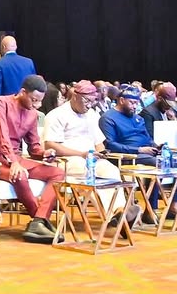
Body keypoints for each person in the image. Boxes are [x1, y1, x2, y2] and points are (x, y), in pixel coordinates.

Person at [0, 75, 64, 243]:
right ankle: (39, 221)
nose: (37, 105)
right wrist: (14, 163)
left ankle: (38, 221)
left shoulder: (32, 114)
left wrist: (44, 153)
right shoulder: (1, 103)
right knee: (20, 174)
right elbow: (2, 136)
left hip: (17, 159)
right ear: (23, 92)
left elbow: (34, 148)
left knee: (58, 173)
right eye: (34, 100)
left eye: (40, 101)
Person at [40, 80, 136, 228]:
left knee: (111, 170)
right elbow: (50, 145)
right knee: (89, 172)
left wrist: (101, 153)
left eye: (93, 101)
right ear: (75, 96)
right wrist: (82, 154)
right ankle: (115, 217)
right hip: (66, 161)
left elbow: (99, 143)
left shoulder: (92, 114)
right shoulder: (56, 115)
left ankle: (120, 212)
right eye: (87, 101)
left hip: (89, 159)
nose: (90, 105)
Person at [98, 85, 177, 220]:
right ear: (121, 100)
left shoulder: (137, 118)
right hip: (127, 156)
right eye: (132, 102)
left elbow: (147, 139)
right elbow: (110, 145)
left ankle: (174, 204)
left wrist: (157, 147)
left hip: (146, 153)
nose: (135, 106)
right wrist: (139, 150)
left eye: (136, 103)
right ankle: (151, 209)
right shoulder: (108, 118)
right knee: (158, 163)